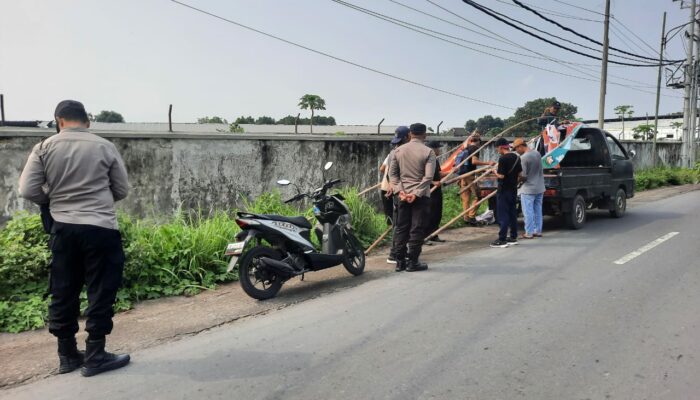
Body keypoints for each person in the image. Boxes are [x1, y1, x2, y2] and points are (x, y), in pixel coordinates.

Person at [18, 100, 131, 377]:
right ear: (87, 121)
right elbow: (122, 189)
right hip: (100, 228)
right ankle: (95, 354)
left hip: (63, 229)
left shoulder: (44, 147)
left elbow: (27, 189)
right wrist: (98, 202)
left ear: (59, 120)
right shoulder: (105, 146)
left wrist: (55, 200)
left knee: (64, 289)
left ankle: (67, 355)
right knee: (101, 289)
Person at [389, 123, 435, 272]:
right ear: (425, 134)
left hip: (402, 196)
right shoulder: (428, 152)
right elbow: (428, 177)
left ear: (410, 134)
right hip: (420, 196)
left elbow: (393, 175)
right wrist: (415, 193)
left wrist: (400, 191)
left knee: (402, 227)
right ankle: (413, 262)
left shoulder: (398, 151)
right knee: (417, 228)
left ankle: (399, 262)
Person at [380, 126, 409, 264]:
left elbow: (385, 170)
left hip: (391, 189)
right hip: (397, 191)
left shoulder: (393, 152)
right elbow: (392, 173)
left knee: (398, 223)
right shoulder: (399, 153)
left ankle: (399, 251)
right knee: (399, 223)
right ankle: (395, 253)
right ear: (407, 137)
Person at [454, 133, 495, 225]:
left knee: (466, 198)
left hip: (461, 176)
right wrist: (488, 163)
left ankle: (466, 217)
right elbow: (474, 161)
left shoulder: (465, 149)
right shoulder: (475, 148)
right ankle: (471, 216)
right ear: (479, 141)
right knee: (479, 196)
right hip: (469, 176)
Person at [490, 137, 522, 248]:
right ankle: (513, 237)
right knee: (512, 214)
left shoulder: (503, 159)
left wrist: (494, 171)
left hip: (503, 191)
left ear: (500, 147)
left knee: (502, 215)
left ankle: (502, 239)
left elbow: (501, 176)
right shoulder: (517, 157)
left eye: (497, 148)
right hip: (513, 190)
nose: (497, 150)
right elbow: (520, 175)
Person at [513, 138, 545, 239]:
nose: (516, 151)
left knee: (528, 212)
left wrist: (516, 182)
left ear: (520, 146)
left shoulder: (524, 158)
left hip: (528, 189)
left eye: (516, 149)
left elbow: (523, 176)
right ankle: (538, 231)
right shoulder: (537, 153)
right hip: (540, 187)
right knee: (538, 210)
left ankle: (529, 233)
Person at [425, 141, 446, 244]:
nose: (439, 150)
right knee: (429, 214)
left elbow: (439, 173)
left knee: (437, 213)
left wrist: (454, 172)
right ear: (433, 149)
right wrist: (433, 182)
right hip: (429, 190)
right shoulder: (426, 159)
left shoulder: (435, 160)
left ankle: (434, 234)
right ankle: (426, 236)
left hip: (436, 190)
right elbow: (420, 175)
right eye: (438, 148)